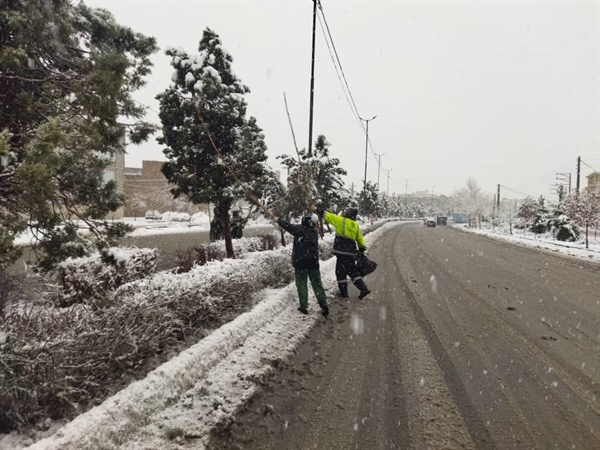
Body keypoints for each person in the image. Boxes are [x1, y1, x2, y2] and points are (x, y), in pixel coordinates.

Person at [276, 214, 329, 318]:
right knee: (317, 284)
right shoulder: (314, 232)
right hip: (313, 263)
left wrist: (278, 220)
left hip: (300, 263)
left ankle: (303, 306)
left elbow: (288, 226)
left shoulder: (300, 230)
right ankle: (324, 304)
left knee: (301, 284)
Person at [315, 205, 371, 299]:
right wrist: (361, 249)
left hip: (342, 251)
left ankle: (344, 294)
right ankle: (363, 289)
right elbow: (360, 238)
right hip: (351, 252)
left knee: (340, 272)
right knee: (352, 272)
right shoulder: (355, 225)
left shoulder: (341, 221)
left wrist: (317, 210)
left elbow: (328, 215)